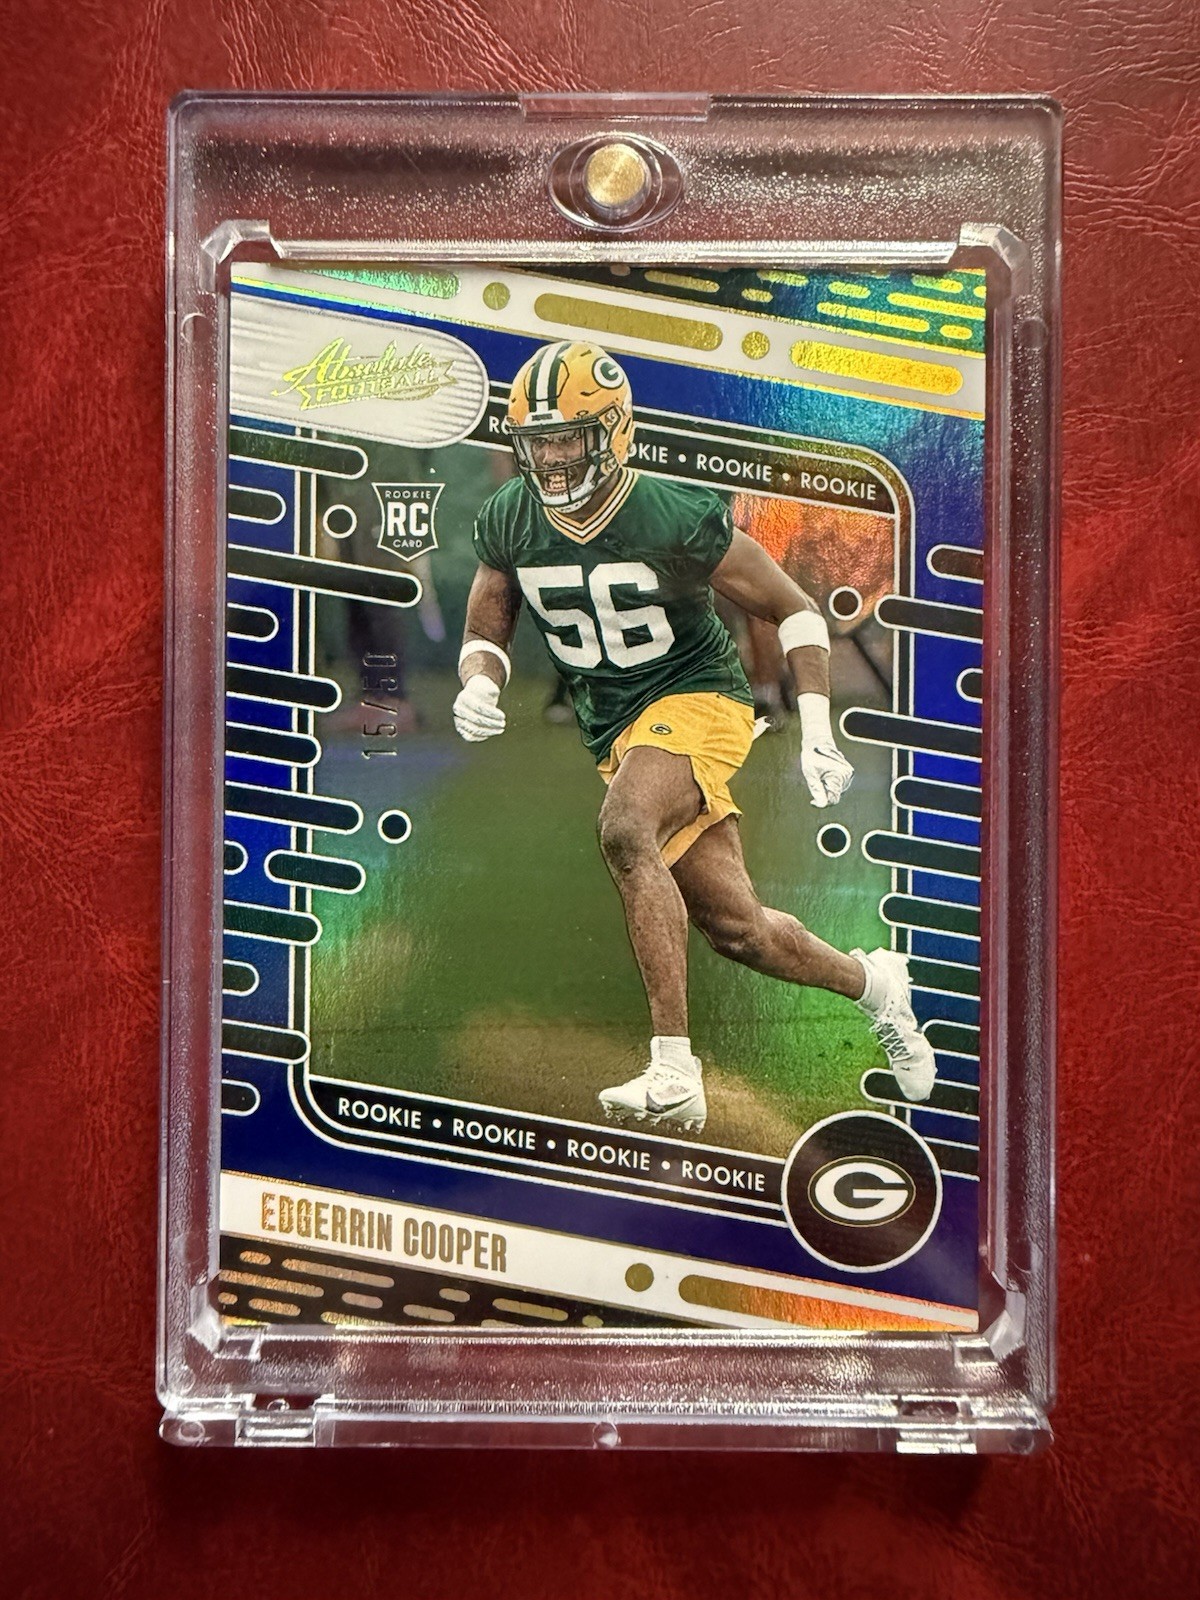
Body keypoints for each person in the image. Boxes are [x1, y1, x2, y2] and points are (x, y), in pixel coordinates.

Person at [453, 339, 935, 1133]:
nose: (553, 458)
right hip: (617, 727)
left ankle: (674, 1068)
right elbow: (486, 624)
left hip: (701, 697)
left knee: (625, 827)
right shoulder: (510, 514)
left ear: (613, 431)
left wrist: (817, 728)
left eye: (568, 438)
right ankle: (878, 987)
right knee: (741, 931)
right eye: (538, 442)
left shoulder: (670, 512)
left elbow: (793, 608)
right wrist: (480, 679)